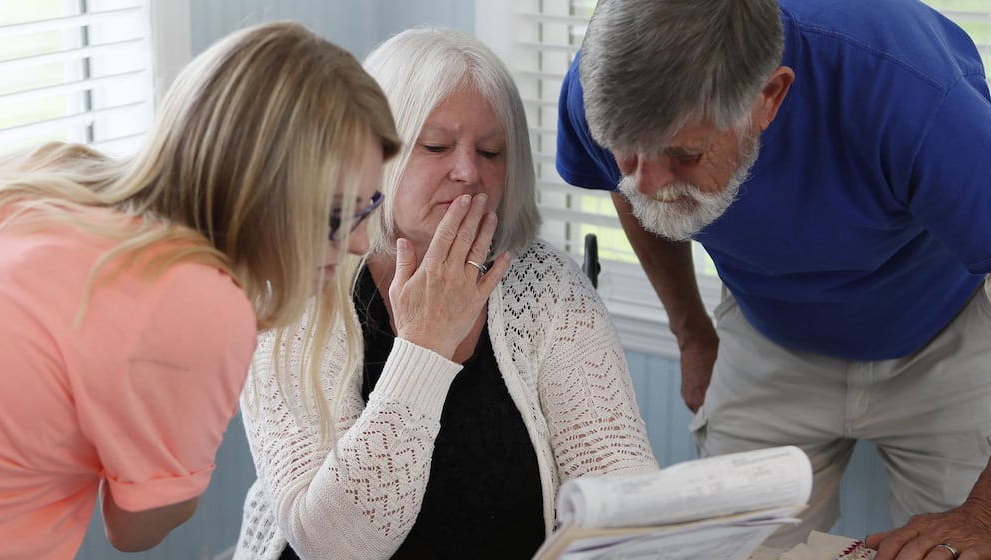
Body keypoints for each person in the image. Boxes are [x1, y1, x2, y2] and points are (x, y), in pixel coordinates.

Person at [556, 0, 991, 558]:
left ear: (769, 96)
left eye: (684, 153)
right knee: (729, 550)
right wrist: (691, 332)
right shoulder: (600, 84)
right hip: (765, 327)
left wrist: (983, 512)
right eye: (626, 149)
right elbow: (629, 194)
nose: (649, 181)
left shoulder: (913, 91)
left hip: (941, 337)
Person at [234, 27, 659, 560]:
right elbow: (333, 545)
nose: (469, 172)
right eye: (435, 146)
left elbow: (620, 488)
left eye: (491, 151)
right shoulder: (300, 287)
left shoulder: (547, 286)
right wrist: (426, 346)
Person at [0, 22, 404, 560]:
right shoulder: (200, 304)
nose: (357, 243)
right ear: (255, 189)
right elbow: (132, 530)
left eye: (368, 207)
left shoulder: (55, 173)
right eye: (335, 216)